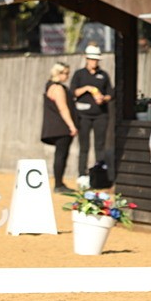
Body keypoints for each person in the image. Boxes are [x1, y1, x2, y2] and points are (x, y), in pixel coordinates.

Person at [69, 44, 112, 181]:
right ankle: (82, 174)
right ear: (86, 59)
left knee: (99, 145)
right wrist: (87, 88)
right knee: (84, 146)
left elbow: (110, 93)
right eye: (92, 59)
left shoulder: (103, 75)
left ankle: (99, 174)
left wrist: (103, 99)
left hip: (100, 115)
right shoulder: (79, 74)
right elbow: (73, 92)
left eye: (96, 59)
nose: (94, 62)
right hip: (83, 116)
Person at [40, 62, 78, 194]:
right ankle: (59, 184)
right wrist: (72, 126)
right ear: (58, 73)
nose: (67, 76)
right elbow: (63, 108)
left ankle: (59, 183)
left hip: (57, 127)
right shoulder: (57, 88)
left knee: (60, 155)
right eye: (65, 73)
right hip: (61, 128)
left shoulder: (50, 86)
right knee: (61, 155)